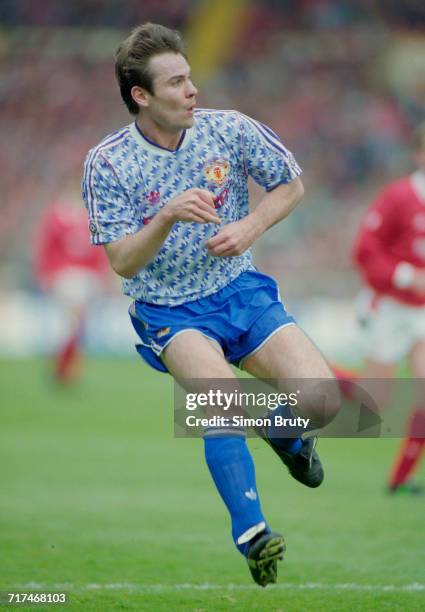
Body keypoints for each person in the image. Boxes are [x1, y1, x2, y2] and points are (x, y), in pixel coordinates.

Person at [82, 23, 338, 587]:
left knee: (325, 401)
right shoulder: (107, 163)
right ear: (141, 96)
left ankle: (285, 434)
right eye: (176, 82)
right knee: (219, 403)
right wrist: (167, 214)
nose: (193, 89)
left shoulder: (229, 129)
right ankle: (254, 534)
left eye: (190, 76)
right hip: (169, 310)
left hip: (240, 291)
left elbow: (290, 184)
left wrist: (250, 225)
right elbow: (122, 261)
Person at [335, 122, 425, 494]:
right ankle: (312, 369)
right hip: (389, 307)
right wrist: (406, 276)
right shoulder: (400, 197)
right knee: (374, 400)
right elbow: (365, 251)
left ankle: (400, 478)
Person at [34, 183, 110, 384]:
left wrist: (100, 276)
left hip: (87, 278)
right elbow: (46, 247)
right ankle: (64, 366)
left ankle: (66, 367)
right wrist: (46, 274)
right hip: (65, 275)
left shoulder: (89, 217)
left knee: (75, 325)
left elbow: (98, 249)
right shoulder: (57, 216)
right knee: (74, 320)